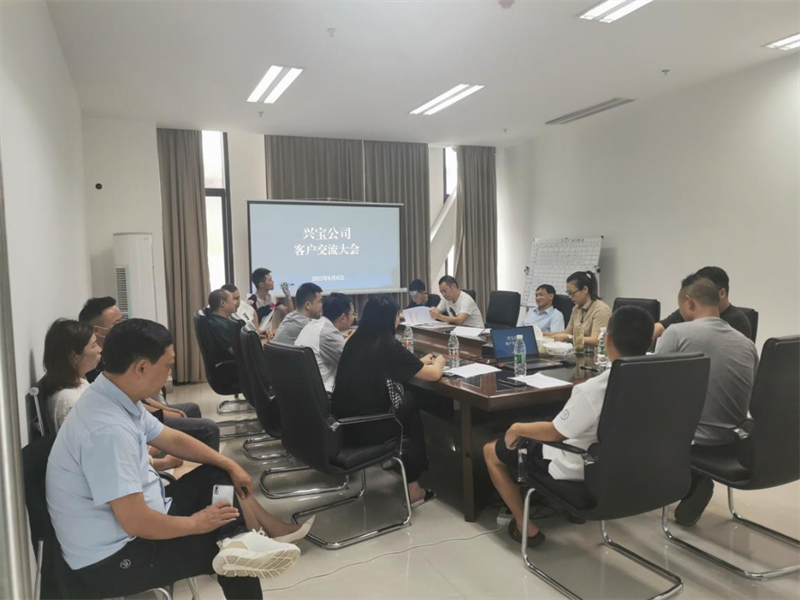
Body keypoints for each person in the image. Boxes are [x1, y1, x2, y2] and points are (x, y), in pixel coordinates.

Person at [46, 319, 313, 600]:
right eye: (168, 365)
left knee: (217, 474)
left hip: (146, 516)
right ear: (141, 368)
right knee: (228, 554)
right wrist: (198, 523)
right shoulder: (107, 430)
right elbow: (136, 522)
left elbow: (170, 438)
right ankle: (236, 543)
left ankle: (236, 539)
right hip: (114, 559)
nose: (169, 374)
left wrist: (230, 464)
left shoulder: (112, 394)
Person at [484, 306, 654, 547]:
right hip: (634, 466)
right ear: (650, 341)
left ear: (607, 340)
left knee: (491, 450)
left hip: (585, 467)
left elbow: (555, 433)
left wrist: (516, 428)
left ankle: (524, 526)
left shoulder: (594, 388)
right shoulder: (656, 380)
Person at [656, 274, 758, 526]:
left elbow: (653, 388)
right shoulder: (747, 344)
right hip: (736, 440)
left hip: (694, 439)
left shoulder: (676, 332)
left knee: (623, 411)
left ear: (689, 301)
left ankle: (617, 491)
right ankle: (695, 478)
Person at [332, 295, 446, 507]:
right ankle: (414, 488)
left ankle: (398, 465)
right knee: (409, 405)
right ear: (389, 319)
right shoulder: (387, 345)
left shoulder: (355, 339)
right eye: (397, 315)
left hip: (344, 424)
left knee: (407, 400)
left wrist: (418, 363)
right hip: (367, 428)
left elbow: (390, 365)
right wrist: (440, 361)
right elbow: (433, 375)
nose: (399, 318)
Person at [79, 297, 220, 451]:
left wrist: (164, 408)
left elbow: (138, 395)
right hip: (137, 414)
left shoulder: (117, 351)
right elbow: (126, 401)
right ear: (97, 331)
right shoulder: (94, 366)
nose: (122, 326)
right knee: (208, 428)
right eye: (116, 323)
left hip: (141, 410)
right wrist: (163, 412)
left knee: (192, 409)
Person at [653, 266, 752, 342]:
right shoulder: (691, 310)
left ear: (722, 293)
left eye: (706, 289)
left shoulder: (738, 322)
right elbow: (661, 327)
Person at [39, 319, 102, 433]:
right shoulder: (70, 400)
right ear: (75, 357)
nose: (100, 349)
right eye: (94, 346)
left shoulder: (79, 383)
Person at [294, 293, 355, 393]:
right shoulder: (328, 334)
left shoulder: (313, 324)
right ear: (343, 317)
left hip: (304, 389)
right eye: (353, 314)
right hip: (323, 393)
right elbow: (352, 362)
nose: (354, 317)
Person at [546, 271, 611, 347]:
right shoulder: (576, 308)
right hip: (578, 350)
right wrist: (544, 334)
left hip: (593, 352)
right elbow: (567, 333)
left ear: (585, 289)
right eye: (568, 293)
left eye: (572, 293)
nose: (570, 297)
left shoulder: (601, 310)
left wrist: (568, 338)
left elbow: (595, 339)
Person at [247, 268, 294, 332]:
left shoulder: (273, 300)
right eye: (270, 280)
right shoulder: (252, 301)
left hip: (268, 334)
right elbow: (252, 328)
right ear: (261, 284)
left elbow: (289, 312)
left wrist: (288, 296)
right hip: (258, 335)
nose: (273, 282)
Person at [207, 288, 238, 360]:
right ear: (223, 303)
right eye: (233, 299)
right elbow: (236, 352)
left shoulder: (218, 321)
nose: (235, 302)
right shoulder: (219, 325)